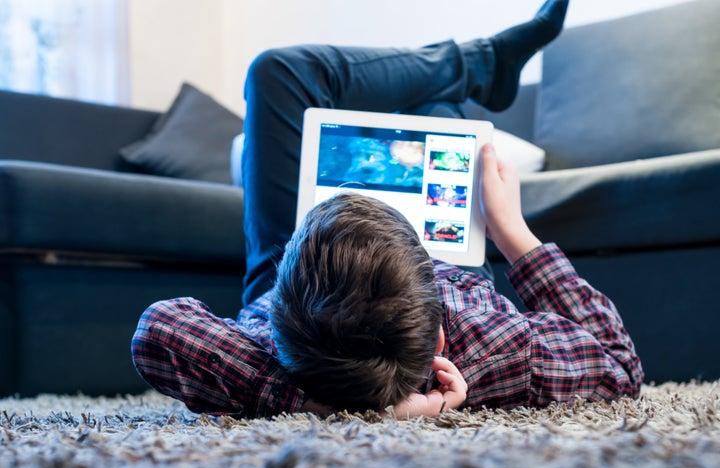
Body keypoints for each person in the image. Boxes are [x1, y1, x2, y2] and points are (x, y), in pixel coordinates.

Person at [131, 0, 644, 419]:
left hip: (300, 305)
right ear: (441, 337)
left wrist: (318, 405)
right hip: (448, 279)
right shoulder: (496, 342)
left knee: (276, 73)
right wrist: (514, 233)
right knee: (438, 115)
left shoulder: (267, 345)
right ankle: (482, 64)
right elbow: (620, 365)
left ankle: (483, 63)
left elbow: (159, 329)